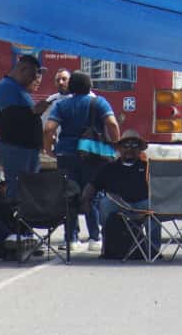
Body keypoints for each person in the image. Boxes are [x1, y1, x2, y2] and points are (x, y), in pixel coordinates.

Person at [43, 71, 119, 252]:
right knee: (91, 194)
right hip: (93, 155)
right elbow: (113, 124)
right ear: (90, 86)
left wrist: (48, 149)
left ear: (70, 87)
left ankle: (71, 239)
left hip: (66, 155)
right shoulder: (98, 102)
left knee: (69, 195)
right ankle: (94, 238)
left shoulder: (61, 105)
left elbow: (49, 128)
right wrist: (115, 144)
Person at [0, 54, 51, 200]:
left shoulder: (20, 90)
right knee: (17, 192)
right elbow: (11, 116)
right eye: (33, 74)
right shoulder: (7, 87)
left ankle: (23, 220)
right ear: (23, 69)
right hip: (16, 149)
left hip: (27, 150)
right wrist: (34, 111)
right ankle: (14, 221)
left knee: (28, 193)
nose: (35, 79)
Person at [80, 130, 152, 236]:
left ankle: (153, 250)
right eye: (126, 145)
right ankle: (107, 248)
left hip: (141, 205)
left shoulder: (147, 167)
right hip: (118, 205)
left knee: (153, 210)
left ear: (140, 149)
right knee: (105, 202)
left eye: (134, 145)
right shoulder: (110, 168)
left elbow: (159, 187)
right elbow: (92, 185)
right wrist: (85, 200)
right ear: (120, 148)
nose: (129, 149)